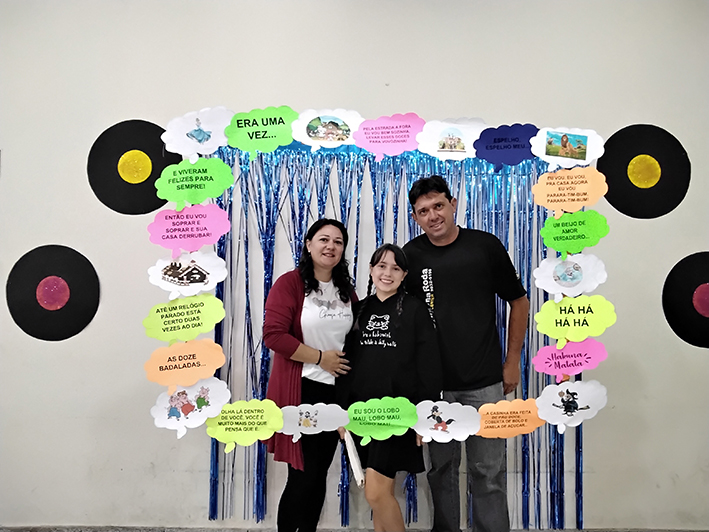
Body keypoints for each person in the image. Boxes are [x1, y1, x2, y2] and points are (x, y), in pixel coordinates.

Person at [402, 176, 530, 532]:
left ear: (453, 204)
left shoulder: (484, 246)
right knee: (440, 471)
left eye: (438, 206)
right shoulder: (410, 257)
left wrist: (512, 362)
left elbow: (519, 302)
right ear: (415, 217)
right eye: (423, 211)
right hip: (435, 389)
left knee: (488, 473)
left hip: (485, 383)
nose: (433, 216)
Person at [337, 243, 442, 532]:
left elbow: (429, 366)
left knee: (375, 492)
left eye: (396, 268)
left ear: (404, 274)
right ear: (371, 270)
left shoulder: (416, 310)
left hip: (398, 416)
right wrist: (340, 413)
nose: (387, 273)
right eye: (381, 266)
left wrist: (425, 417)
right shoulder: (357, 310)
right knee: (379, 493)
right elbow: (344, 366)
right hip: (360, 415)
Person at [263, 218, 356, 532]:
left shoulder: (346, 290)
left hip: (336, 394)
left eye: (338, 242)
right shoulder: (289, 284)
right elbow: (274, 335)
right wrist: (320, 358)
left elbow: (356, 339)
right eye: (323, 239)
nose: (331, 246)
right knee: (302, 475)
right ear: (308, 244)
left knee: (318, 474)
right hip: (302, 390)